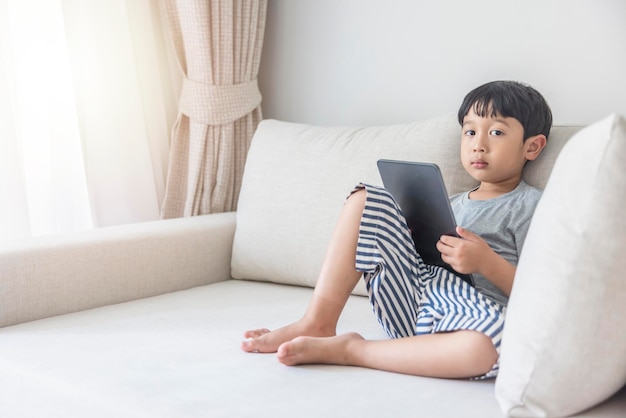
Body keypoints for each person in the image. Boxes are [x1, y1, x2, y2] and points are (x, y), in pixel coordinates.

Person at [241, 80, 552, 379]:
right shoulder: (449, 202)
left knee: (487, 347)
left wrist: (486, 262)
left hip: (473, 319)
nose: (478, 145)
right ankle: (317, 321)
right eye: (470, 132)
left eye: (496, 132)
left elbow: (542, 294)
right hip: (415, 300)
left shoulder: (529, 206)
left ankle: (354, 351)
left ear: (532, 147)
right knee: (365, 198)